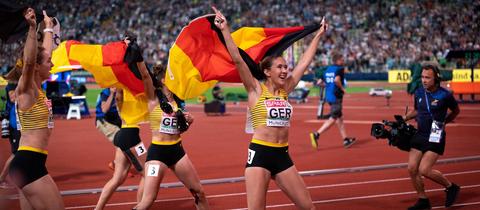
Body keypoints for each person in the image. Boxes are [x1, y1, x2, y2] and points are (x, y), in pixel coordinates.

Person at [212, 7, 327, 209]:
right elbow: (238, 59)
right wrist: (224, 30)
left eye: (285, 67)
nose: (285, 71)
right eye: (280, 67)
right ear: (267, 71)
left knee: (309, 207)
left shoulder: (286, 89)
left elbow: (304, 63)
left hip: (282, 155)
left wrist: (318, 36)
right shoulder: (255, 89)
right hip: (260, 155)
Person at [7, 8, 64, 209]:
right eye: (49, 62)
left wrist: (48, 28)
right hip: (28, 162)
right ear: (37, 68)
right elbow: (31, 61)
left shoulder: (38, 88)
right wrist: (32, 28)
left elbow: (43, 55)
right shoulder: (27, 87)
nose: (53, 63)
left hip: (33, 161)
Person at [134, 64, 209, 209]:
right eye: (173, 76)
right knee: (147, 200)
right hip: (158, 153)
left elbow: (179, 130)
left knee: (199, 192)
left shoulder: (178, 101)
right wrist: (137, 56)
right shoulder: (153, 98)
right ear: (163, 80)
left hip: (177, 151)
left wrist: (189, 122)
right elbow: (145, 76)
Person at [95, 36, 146, 210]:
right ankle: (140, 207)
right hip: (132, 138)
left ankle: (98, 208)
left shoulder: (124, 88)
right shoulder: (124, 88)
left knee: (118, 178)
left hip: (123, 137)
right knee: (148, 174)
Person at [403, 64, 460, 209]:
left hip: (436, 133)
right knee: (412, 168)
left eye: (427, 77)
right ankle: (423, 200)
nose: (424, 80)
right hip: (420, 133)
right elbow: (417, 110)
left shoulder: (445, 95)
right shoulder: (419, 92)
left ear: (436, 78)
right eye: (422, 77)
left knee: (424, 170)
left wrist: (444, 122)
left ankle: (450, 186)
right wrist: (403, 119)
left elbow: (456, 110)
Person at [309, 53, 356, 149]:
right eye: (342, 59)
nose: (343, 61)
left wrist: (328, 86)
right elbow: (336, 80)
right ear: (337, 60)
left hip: (329, 96)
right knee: (334, 117)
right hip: (336, 96)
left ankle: (345, 139)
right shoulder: (340, 69)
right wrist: (343, 89)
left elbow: (319, 83)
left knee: (340, 118)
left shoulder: (327, 69)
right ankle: (316, 134)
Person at [0, 83, 21, 189]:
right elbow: (13, 99)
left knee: (22, 152)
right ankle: (2, 178)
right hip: (15, 124)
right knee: (16, 153)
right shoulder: (12, 84)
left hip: (19, 124)